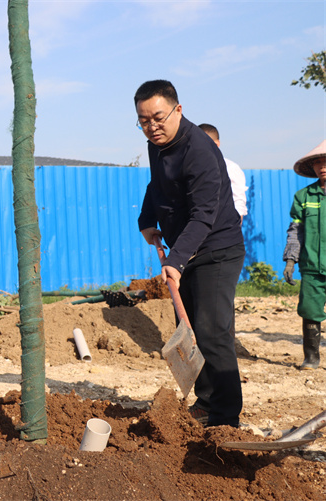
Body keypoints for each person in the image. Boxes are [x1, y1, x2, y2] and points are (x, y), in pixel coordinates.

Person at [134, 80, 245, 427]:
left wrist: (176, 261)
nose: (152, 127)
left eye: (158, 118)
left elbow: (203, 216)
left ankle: (225, 417)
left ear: (178, 110)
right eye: (143, 121)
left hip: (217, 249)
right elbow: (156, 184)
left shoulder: (199, 151)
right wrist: (147, 220)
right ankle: (206, 402)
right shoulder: (157, 144)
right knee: (192, 327)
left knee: (213, 331)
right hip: (186, 249)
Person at [282, 139, 326, 370]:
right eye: (318, 163)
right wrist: (290, 260)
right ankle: (311, 357)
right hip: (312, 268)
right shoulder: (304, 196)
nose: (322, 167)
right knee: (310, 310)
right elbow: (295, 231)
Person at [198, 123, 248, 221]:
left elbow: (238, 203)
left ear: (217, 144)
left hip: (222, 225)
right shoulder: (188, 167)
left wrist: (235, 224)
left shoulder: (230, 168)